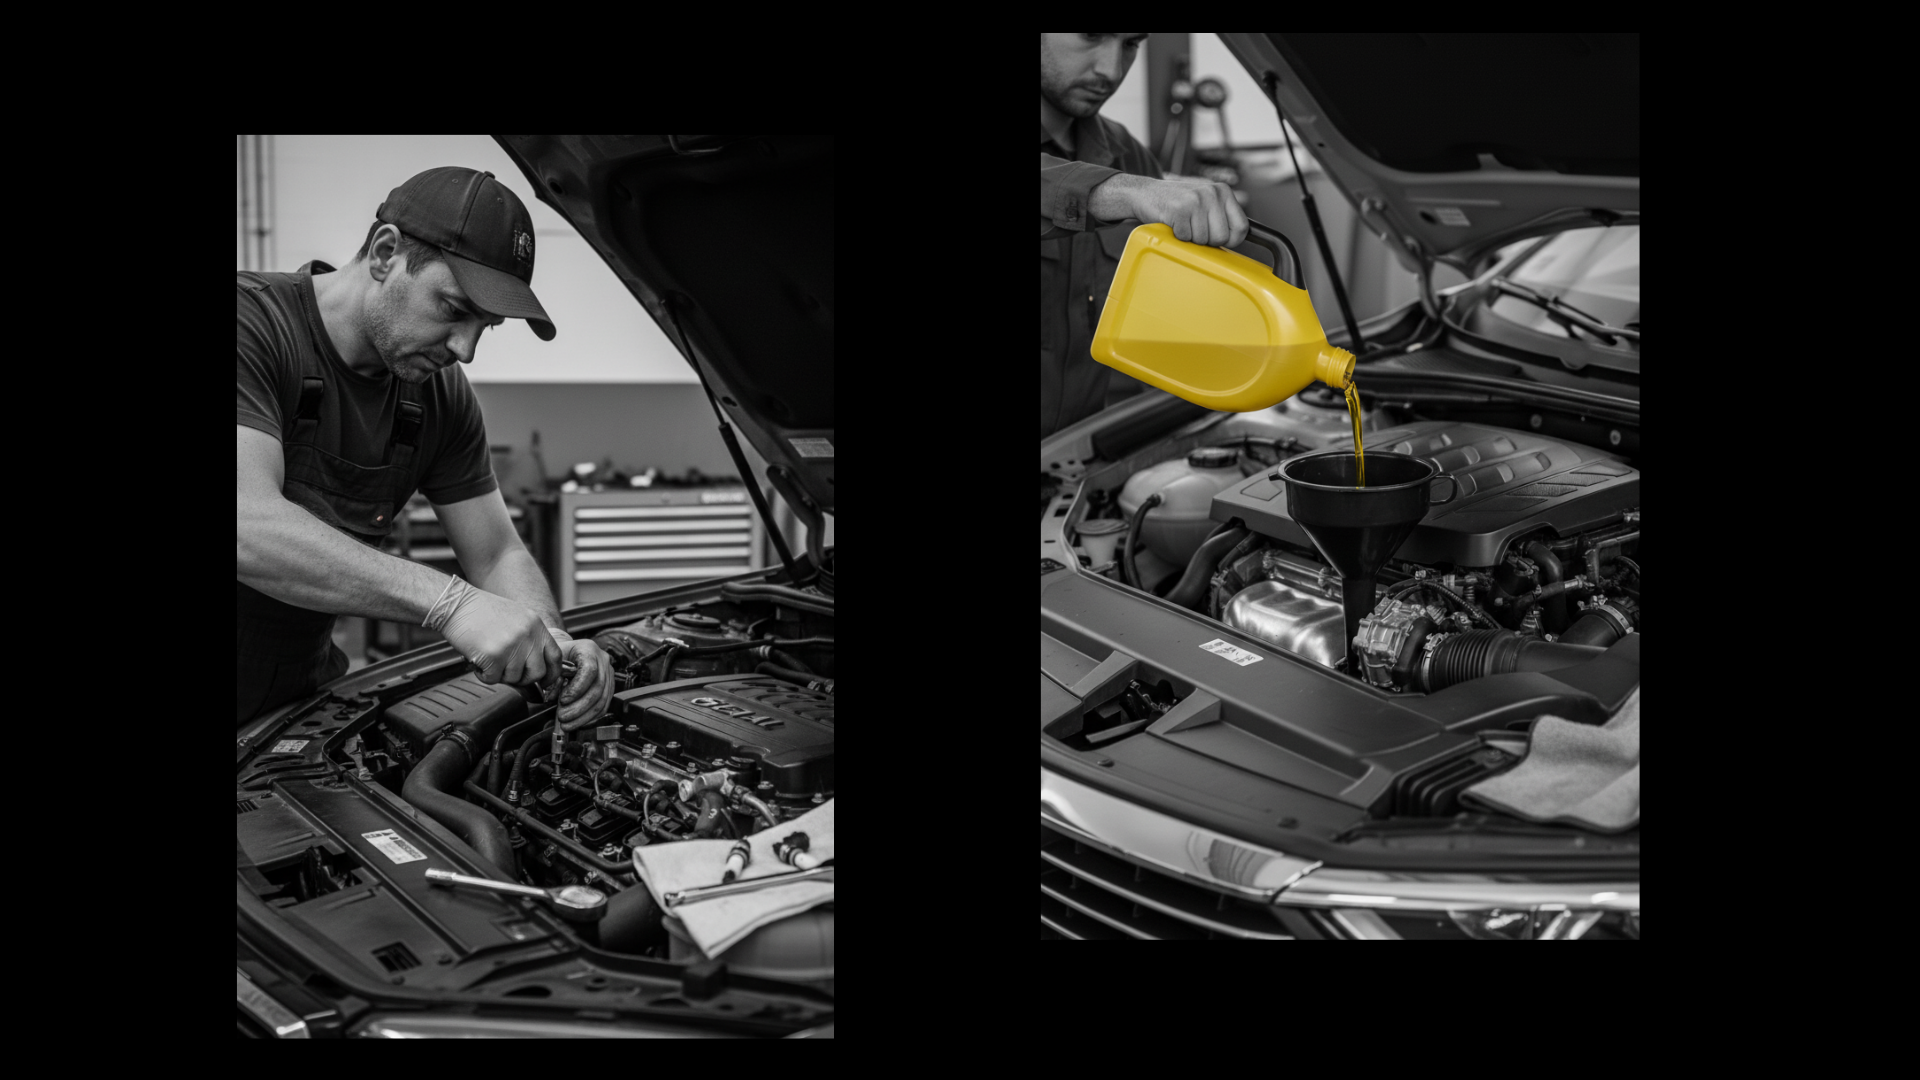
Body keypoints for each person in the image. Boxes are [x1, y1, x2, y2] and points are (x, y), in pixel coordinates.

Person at [236, 165, 614, 726]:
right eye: (455, 310)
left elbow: (496, 553)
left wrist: (550, 641)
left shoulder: (437, 395)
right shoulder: (253, 325)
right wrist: (451, 603)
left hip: (291, 704)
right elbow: (247, 523)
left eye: (486, 327)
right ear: (385, 254)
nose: (466, 349)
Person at [1041, 32, 1251, 440]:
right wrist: (1123, 192)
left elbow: (1164, 326)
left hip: (1074, 465)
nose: (1111, 69)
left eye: (1131, 44)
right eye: (1091, 36)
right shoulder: (1131, 181)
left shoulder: (1125, 154)